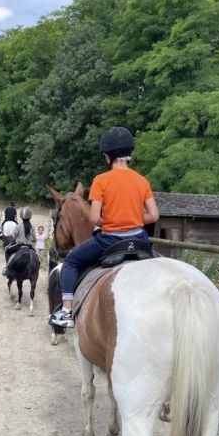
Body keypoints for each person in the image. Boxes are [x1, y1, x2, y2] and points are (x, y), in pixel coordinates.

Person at [49, 126, 159, 328]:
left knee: (71, 261)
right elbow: (153, 216)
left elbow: (94, 218)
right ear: (129, 154)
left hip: (110, 240)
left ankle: (66, 311)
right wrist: (132, 218)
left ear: (107, 157)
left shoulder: (101, 180)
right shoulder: (142, 181)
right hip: (139, 240)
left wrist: (110, 220)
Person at [2, 207, 36, 276]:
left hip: (20, 245)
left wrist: (13, 242)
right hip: (29, 246)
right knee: (36, 256)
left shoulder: (18, 226)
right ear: (30, 217)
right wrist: (31, 240)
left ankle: (8, 267)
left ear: (21, 217)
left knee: (6, 250)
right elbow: (35, 239)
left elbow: (14, 238)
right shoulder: (32, 227)